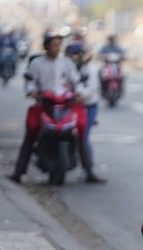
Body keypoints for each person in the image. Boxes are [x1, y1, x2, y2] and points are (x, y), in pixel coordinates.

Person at [7, 32, 93, 184]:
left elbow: (76, 81)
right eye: (54, 44)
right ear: (47, 46)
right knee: (31, 133)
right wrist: (32, 92)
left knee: (81, 131)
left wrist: (80, 93)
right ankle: (18, 172)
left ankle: (89, 170)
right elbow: (30, 81)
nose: (57, 47)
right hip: (45, 105)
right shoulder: (37, 63)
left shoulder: (67, 63)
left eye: (59, 44)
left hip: (65, 104)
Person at [64, 41, 106, 183]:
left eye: (76, 55)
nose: (74, 58)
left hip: (87, 107)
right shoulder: (67, 68)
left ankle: (89, 170)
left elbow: (91, 88)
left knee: (83, 137)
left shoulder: (90, 70)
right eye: (71, 55)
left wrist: (80, 96)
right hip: (69, 106)